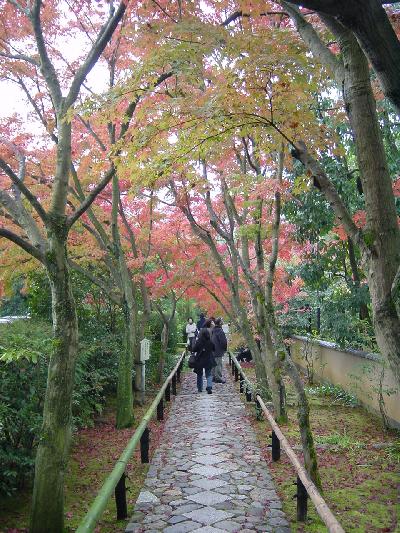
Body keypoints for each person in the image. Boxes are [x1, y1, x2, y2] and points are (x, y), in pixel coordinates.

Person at [192, 327, 216, 394]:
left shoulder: (199, 342)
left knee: (199, 374)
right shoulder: (210, 342)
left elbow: (193, 349)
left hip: (200, 360)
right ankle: (209, 387)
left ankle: (200, 388)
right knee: (208, 374)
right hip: (208, 359)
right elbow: (214, 349)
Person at [211, 318, 227, 383]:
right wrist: (224, 349)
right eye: (222, 321)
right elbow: (223, 341)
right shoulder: (220, 331)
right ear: (220, 322)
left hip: (212, 349)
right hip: (218, 350)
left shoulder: (213, 330)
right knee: (218, 364)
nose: (223, 322)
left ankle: (213, 377)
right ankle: (218, 378)